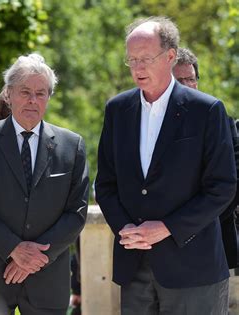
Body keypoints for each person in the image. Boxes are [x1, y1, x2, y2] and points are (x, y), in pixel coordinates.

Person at [95, 17, 236, 315]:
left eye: (145, 58)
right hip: (134, 267)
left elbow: (222, 188)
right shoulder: (117, 110)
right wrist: (126, 229)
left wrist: (167, 228)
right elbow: (106, 184)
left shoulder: (206, 110)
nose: (137, 68)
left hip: (193, 269)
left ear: (171, 56)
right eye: (131, 60)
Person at [0, 53, 89, 315]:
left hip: (49, 278)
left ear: (49, 98)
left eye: (41, 93)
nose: (33, 100)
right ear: (8, 94)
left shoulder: (71, 145)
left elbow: (76, 213)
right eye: (25, 91)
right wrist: (13, 250)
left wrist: (35, 258)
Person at [173, 47, 239, 270]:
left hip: (216, 242)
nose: (186, 85)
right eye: (178, 79)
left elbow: (232, 184)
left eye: (191, 79)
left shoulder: (222, 121)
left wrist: (196, 224)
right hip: (163, 246)